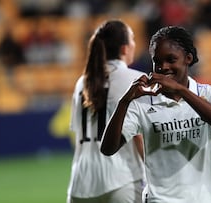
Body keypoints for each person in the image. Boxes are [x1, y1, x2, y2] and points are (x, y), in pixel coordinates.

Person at [101, 26, 211, 203]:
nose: (163, 67)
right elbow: (108, 148)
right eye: (157, 61)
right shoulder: (142, 104)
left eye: (171, 60)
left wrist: (181, 90)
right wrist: (124, 102)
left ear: (188, 58)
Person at [66, 20, 145, 203]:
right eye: (132, 39)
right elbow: (139, 137)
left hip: (80, 183)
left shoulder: (82, 82)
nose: (134, 44)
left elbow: (77, 134)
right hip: (121, 180)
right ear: (125, 48)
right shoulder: (135, 80)